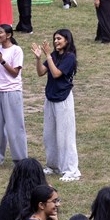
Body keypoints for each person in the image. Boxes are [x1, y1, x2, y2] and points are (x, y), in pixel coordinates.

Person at [32, 29, 80, 182]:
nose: (56, 41)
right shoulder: (53, 55)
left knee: (65, 136)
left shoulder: (70, 57)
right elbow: (41, 72)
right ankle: (53, 166)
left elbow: (56, 73)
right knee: (49, 135)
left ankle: (71, 170)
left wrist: (47, 55)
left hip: (63, 99)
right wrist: (39, 58)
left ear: (67, 40)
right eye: (55, 39)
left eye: (59, 39)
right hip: (50, 98)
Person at [0, 25, 27, 166]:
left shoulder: (16, 50)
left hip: (12, 91)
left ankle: (20, 159)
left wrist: (2, 61)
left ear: (8, 35)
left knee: (15, 127)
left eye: (0, 32)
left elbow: (15, 73)